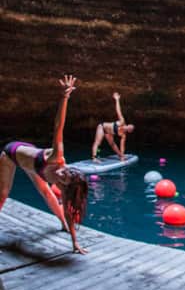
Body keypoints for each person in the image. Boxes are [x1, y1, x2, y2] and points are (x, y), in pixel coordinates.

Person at [0, 75, 88, 253]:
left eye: (64, 176)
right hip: (11, 154)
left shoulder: (64, 186)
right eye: (67, 171)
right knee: (2, 194)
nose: (63, 172)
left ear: (65, 184)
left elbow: (70, 211)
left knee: (47, 193)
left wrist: (74, 242)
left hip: (34, 165)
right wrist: (64, 97)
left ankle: (61, 224)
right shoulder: (58, 157)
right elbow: (58, 127)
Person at [91, 92, 135, 161]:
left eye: (130, 128)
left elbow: (122, 146)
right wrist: (117, 100)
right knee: (98, 142)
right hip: (102, 127)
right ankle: (94, 157)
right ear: (128, 125)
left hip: (109, 133)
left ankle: (120, 155)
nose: (129, 127)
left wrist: (122, 155)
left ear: (129, 131)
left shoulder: (123, 135)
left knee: (112, 144)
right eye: (129, 126)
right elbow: (118, 111)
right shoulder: (122, 121)